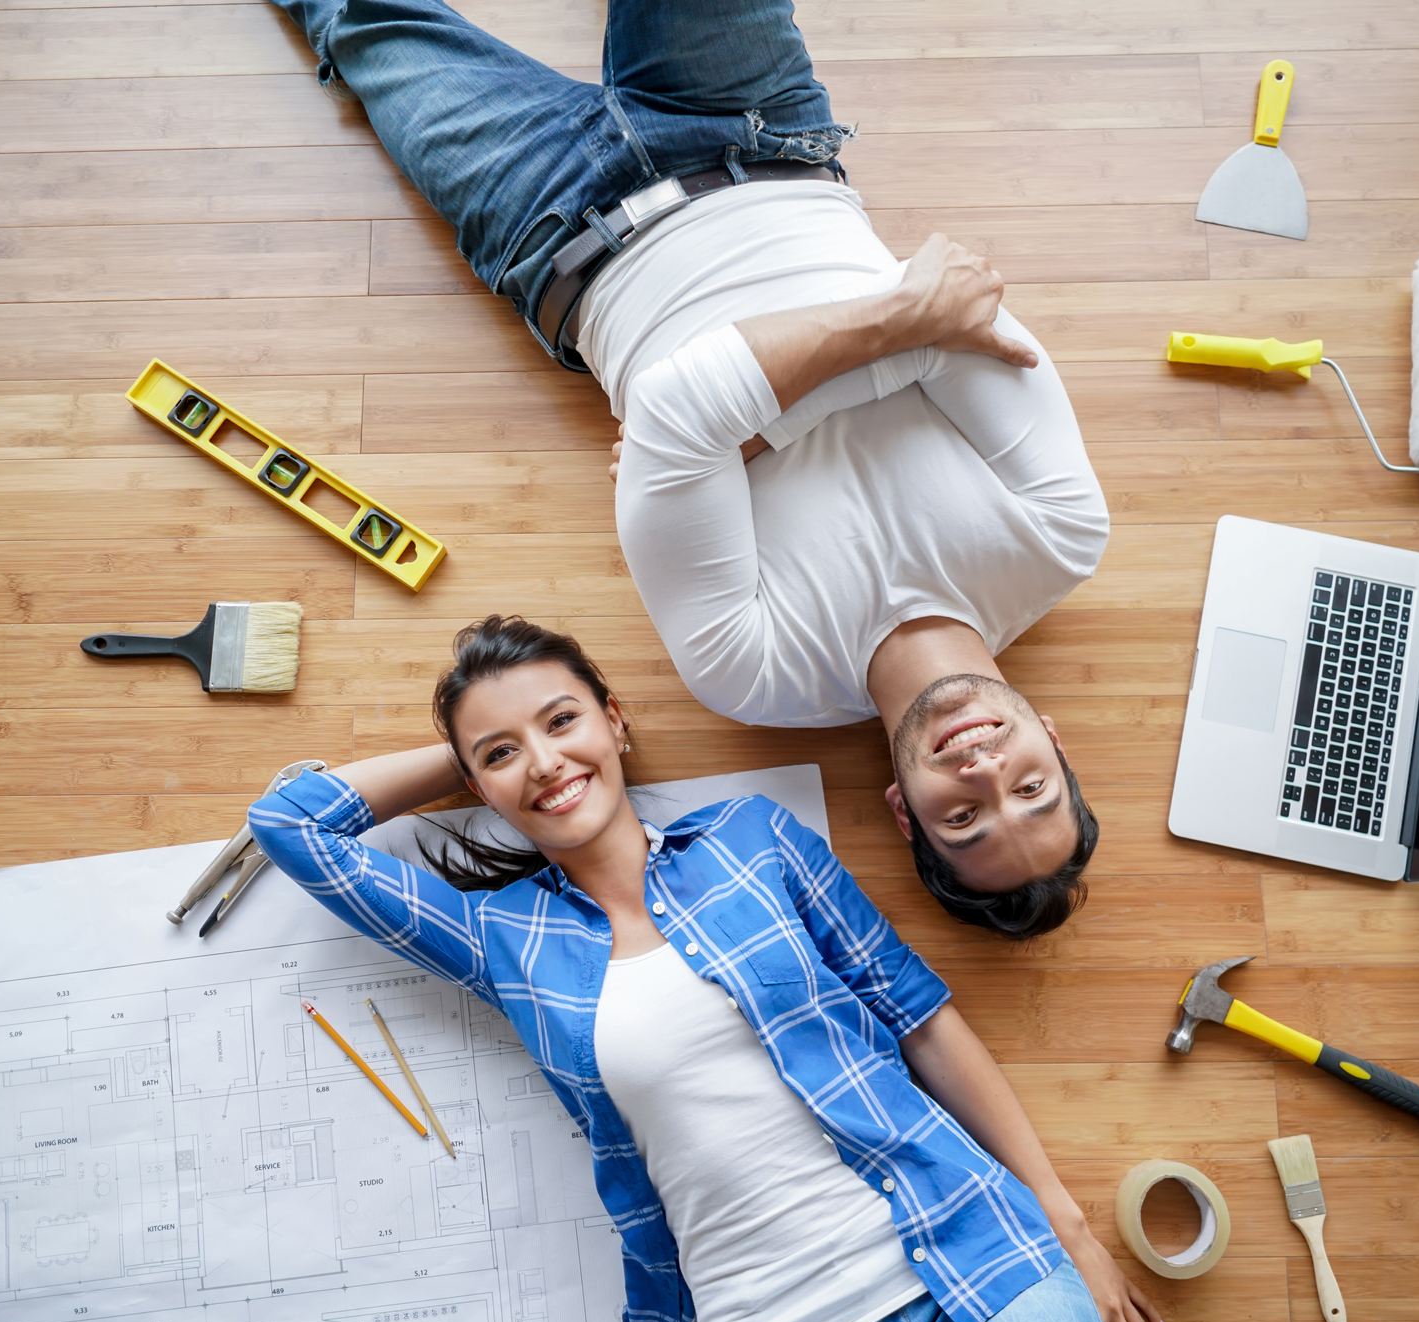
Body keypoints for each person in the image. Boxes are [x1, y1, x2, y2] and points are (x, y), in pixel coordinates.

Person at [271, 0, 1111, 940]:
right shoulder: (1062, 539)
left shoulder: (752, 680)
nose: (985, 773)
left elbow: (924, 328)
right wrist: (732, 442)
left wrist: (891, 329)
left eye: (963, 817)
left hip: (547, 226)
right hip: (757, 130)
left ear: (904, 809)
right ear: (1055, 743)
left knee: (351, 13)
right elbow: (954, 330)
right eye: (1031, 788)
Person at [248, 617, 1160, 1322]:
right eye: (502, 753)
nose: (545, 760)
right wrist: (480, 753)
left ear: (616, 718)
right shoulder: (501, 939)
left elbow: (922, 1022)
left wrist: (1065, 1222)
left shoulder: (754, 838)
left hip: (973, 1257)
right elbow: (293, 825)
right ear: (477, 785)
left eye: (562, 721)